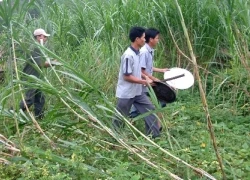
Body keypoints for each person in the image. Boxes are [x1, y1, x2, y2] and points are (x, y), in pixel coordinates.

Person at [112, 26, 161, 138]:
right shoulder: (128, 55)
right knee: (120, 117)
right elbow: (127, 77)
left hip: (137, 92)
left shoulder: (138, 53)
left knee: (150, 110)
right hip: (127, 93)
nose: (145, 39)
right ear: (137, 39)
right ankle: (115, 137)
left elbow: (138, 70)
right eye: (143, 37)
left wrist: (147, 78)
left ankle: (154, 136)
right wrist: (144, 82)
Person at [129, 28, 168, 120]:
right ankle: (137, 120)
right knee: (159, 100)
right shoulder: (144, 52)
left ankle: (154, 121)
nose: (158, 40)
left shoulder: (150, 50)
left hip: (147, 82)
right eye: (157, 38)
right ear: (151, 39)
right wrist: (153, 78)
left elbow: (148, 67)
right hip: (143, 82)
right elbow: (141, 70)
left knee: (160, 101)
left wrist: (161, 70)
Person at [19, 28, 54, 119]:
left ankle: (39, 118)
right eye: (44, 36)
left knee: (40, 98)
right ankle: (14, 113)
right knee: (29, 100)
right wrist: (54, 63)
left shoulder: (39, 48)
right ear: (39, 37)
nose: (46, 39)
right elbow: (41, 64)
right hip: (30, 78)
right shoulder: (35, 48)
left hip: (37, 78)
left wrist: (52, 61)